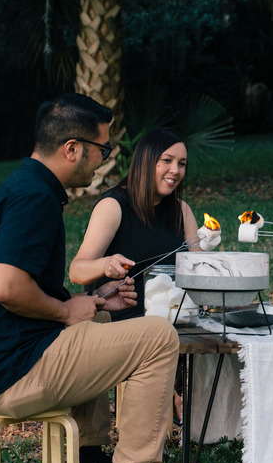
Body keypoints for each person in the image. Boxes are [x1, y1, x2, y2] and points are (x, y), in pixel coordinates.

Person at [0, 93, 208, 463]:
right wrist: (66, 310)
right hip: (8, 371)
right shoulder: (35, 199)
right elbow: (6, 286)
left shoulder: (23, 186)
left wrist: (95, 302)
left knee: (97, 322)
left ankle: (90, 456)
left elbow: (21, 288)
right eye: (100, 149)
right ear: (72, 149)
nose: (102, 160)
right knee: (157, 336)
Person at [69, 127, 201, 322]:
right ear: (145, 161)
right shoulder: (113, 206)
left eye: (182, 164)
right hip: (124, 321)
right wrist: (106, 264)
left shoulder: (182, 210)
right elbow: (76, 272)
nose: (176, 170)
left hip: (178, 320)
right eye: (167, 160)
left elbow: (200, 269)